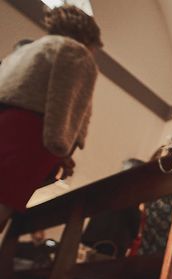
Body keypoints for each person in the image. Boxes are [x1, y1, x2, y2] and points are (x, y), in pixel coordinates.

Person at [0, 5, 101, 231]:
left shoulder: (27, 49)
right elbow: (65, 104)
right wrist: (63, 150)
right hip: (30, 138)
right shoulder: (75, 51)